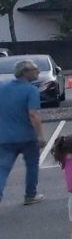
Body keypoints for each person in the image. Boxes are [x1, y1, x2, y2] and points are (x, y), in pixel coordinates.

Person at [0, 59, 46, 205]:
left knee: (3, 168)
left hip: (5, 137)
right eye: (35, 69)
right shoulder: (31, 90)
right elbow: (34, 114)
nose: (38, 72)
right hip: (27, 137)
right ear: (24, 72)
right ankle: (30, 195)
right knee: (32, 165)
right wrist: (40, 136)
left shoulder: (2, 87)